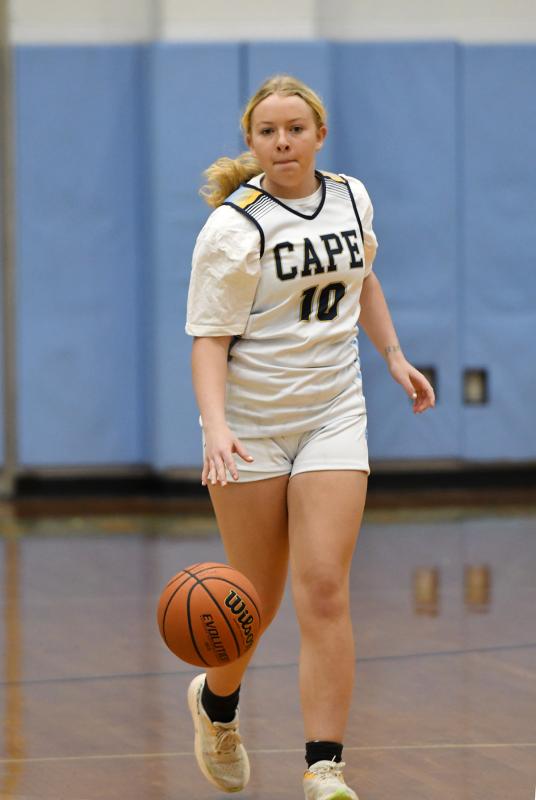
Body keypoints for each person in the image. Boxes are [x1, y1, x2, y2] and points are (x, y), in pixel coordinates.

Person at [185, 74, 435, 800]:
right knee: (250, 606)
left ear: (320, 134)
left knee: (323, 589)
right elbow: (207, 341)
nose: (283, 140)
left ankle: (324, 768)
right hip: (251, 424)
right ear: (252, 142)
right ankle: (217, 704)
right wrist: (219, 428)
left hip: (333, 415)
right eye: (268, 131)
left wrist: (392, 354)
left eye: (296, 127)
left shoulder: (352, 197)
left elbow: (366, 282)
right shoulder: (233, 228)